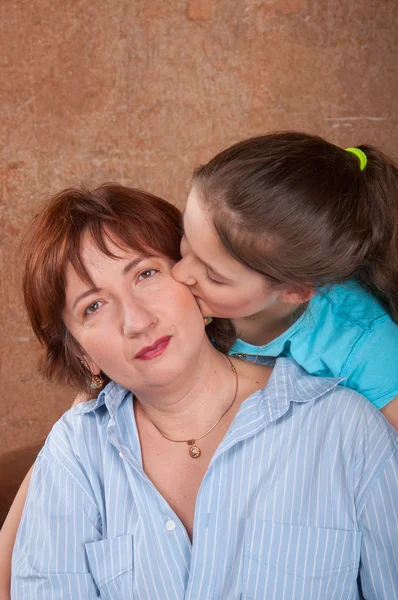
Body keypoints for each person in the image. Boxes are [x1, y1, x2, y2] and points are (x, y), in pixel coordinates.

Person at [6, 184, 398, 599]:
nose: (136, 321)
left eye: (146, 274)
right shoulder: (75, 453)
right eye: (94, 306)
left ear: (196, 282)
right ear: (84, 355)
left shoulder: (345, 427)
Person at [171, 131, 398, 428]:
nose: (178, 273)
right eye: (186, 236)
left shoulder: (364, 344)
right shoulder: (187, 263)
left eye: (213, 277)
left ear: (293, 291)